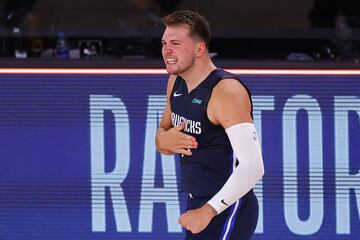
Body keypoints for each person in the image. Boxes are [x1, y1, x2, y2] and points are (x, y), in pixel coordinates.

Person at [155, 10, 264, 240]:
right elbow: (164, 135)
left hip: (228, 207)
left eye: (175, 43)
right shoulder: (175, 82)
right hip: (197, 201)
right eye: (164, 43)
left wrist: (208, 211)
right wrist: (161, 140)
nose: (166, 50)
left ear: (199, 49)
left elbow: (253, 167)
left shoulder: (226, 91)